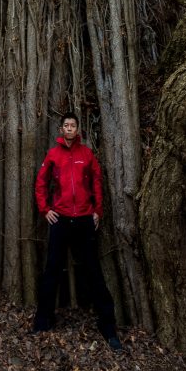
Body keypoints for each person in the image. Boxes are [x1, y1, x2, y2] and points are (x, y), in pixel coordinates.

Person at [33, 113, 121, 350]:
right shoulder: (53, 154)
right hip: (60, 219)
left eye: (72, 125)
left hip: (83, 219)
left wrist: (97, 211)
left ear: (77, 129)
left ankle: (108, 327)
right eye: (66, 126)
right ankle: (43, 321)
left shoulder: (86, 154)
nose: (69, 129)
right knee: (52, 270)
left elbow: (96, 181)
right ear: (61, 130)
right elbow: (41, 183)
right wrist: (45, 209)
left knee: (93, 272)